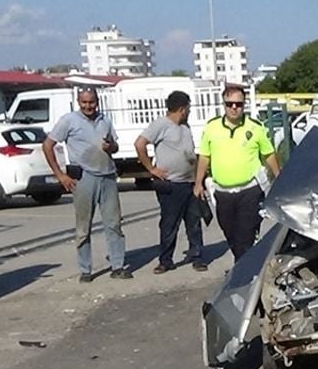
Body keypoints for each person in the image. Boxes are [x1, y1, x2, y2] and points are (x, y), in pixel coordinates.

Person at [41, 88, 130, 283]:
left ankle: (118, 265)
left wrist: (111, 147)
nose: (88, 106)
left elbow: (115, 146)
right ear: (78, 102)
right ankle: (85, 269)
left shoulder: (105, 120)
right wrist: (60, 174)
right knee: (83, 226)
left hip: (107, 175)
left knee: (114, 224)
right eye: (84, 103)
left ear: (97, 102)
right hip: (83, 177)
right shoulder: (68, 121)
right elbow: (47, 145)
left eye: (92, 102)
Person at [193, 86, 280, 261]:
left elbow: (268, 154)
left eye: (238, 104)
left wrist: (279, 176)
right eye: (230, 104)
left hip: (250, 191)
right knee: (230, 234)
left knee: (245, 235)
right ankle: (245, 264)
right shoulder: (212, 127)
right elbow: (204, 156)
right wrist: (198, 183)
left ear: (244, 105)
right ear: (223, 105)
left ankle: (244, 273)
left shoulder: (255, 127)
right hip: (222, 193)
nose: (234, 108)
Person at [135, 90, 205, 274]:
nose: (189, 111)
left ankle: (197, 256)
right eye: (188, 108)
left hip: (189, 183)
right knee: (169, 224)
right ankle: (166, 260)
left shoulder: (185, 126)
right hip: (172, 185)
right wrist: (151, 168)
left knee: (194, 222)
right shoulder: (161, 124)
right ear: (182, 109)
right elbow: (140, 144)